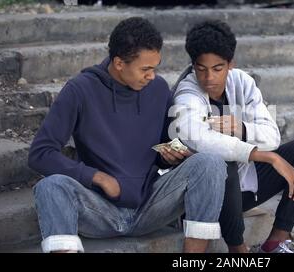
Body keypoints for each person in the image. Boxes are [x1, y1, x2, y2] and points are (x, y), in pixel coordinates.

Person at [28, 17, 227, 253]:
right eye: (145, 69)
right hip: (99, 209)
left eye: (155, 67)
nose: (152, 76)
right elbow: (40, 153)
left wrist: (172, 151)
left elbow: (163, 143)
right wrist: (97, 177)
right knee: (50, 187)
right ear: (119, 63)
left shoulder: (158, 89)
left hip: (151, 205)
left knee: (210, 163)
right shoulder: (80, 90)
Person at [172, 20, 294, 253]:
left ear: (230, 64)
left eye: (217, 68)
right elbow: (199, 139)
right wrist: (268, 157)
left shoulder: (243, 82)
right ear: (193, 66)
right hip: (204, 200)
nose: (209, 78)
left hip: (244, 190)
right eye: (201, 68)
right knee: (221, 159)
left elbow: (271, 135)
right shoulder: (187, 92)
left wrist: (243, 129)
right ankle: (238, 249)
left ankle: (276, 242)